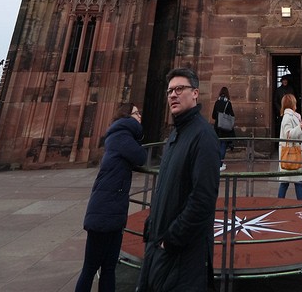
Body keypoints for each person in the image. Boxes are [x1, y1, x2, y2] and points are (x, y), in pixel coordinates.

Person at [137, 68, 220, 292]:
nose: (173, 95)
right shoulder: (174, 135)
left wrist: (171, 240)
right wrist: (153, 225)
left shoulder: (203, 136)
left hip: (181, 252)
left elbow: (203, 198)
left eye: (179, 89)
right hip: (160, 245)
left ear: (195, 93)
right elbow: (166, 187)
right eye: (170, 91)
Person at [74, 102, 146, 292]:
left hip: (112, 210)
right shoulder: (121, 136)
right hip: (104, 211)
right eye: (136, 113)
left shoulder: (120, 135)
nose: (140, 116)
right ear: (127, 116)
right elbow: (140, 157)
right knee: (91, 267)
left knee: (108, 267)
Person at [277, 93, 302, 201]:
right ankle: (301, 204)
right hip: (291, 154)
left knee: (288, 182)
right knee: (294, 182)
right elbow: (288, 134)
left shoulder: (292, 116)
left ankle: (279, 203)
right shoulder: (287, 117)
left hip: (292, 154)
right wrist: (300, 127)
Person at [211, 86, 235, 171]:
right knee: (223, 145)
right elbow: (232, 115)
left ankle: (218, 162)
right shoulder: (228, 103)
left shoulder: (217, 102)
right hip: (225, 127)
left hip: (217, 127)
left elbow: (213, 116)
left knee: (218, 146)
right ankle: (220, 164)